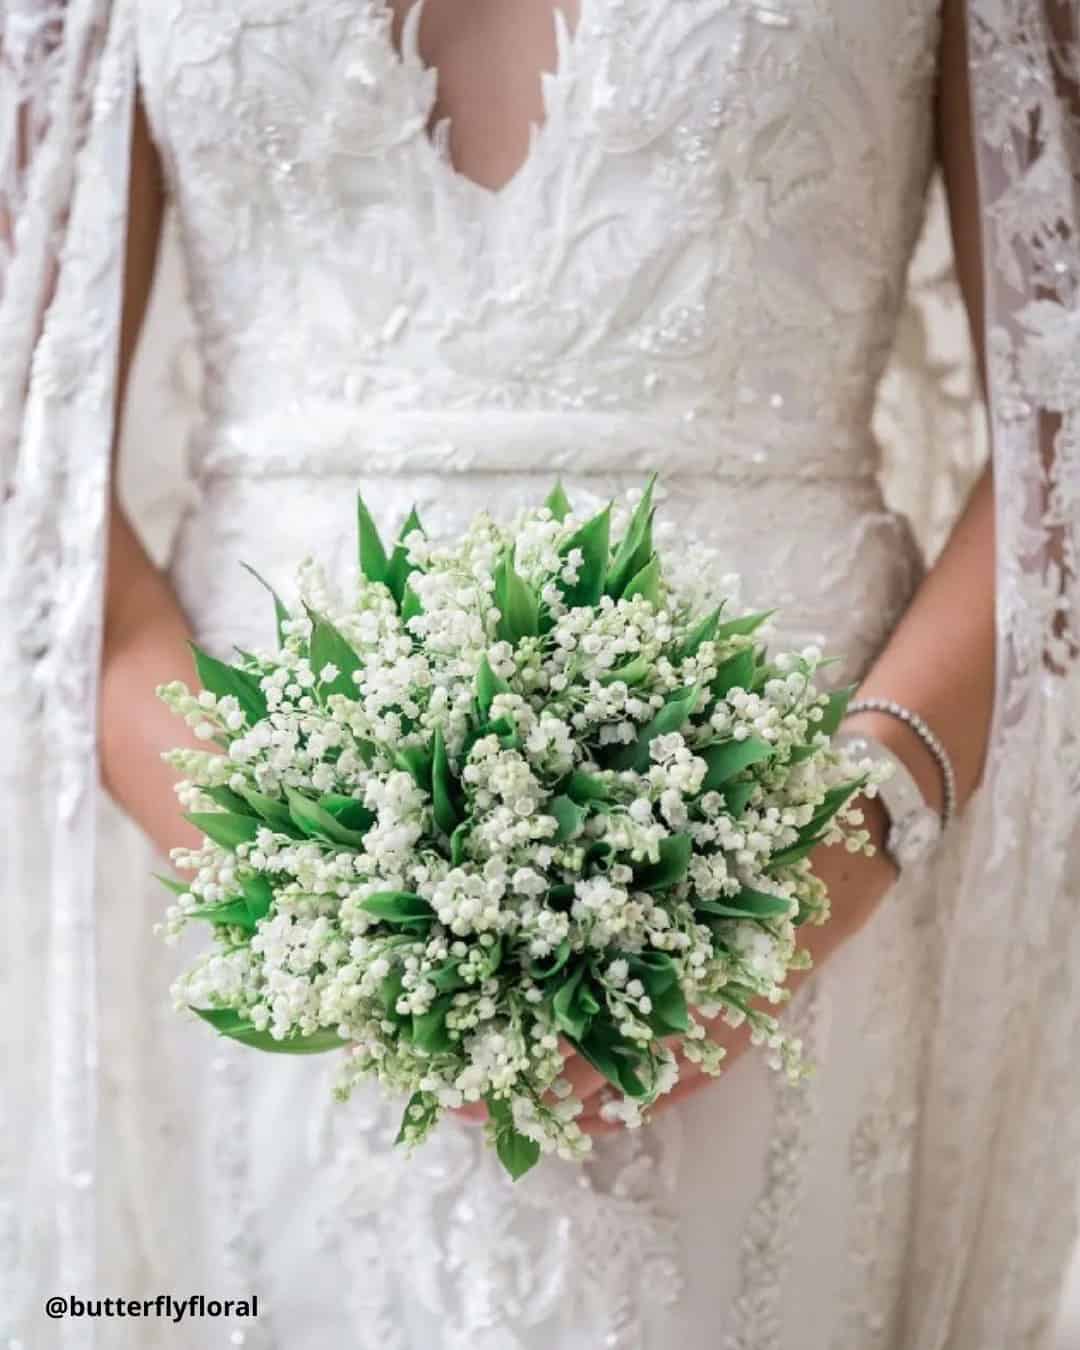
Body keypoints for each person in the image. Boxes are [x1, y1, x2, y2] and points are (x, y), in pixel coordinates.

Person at [2, 1, 1078, 1346]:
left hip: (813, 909)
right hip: (253, 887)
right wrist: (310, 896)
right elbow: (21, 450)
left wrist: (820, 860)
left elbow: (1064, 423)